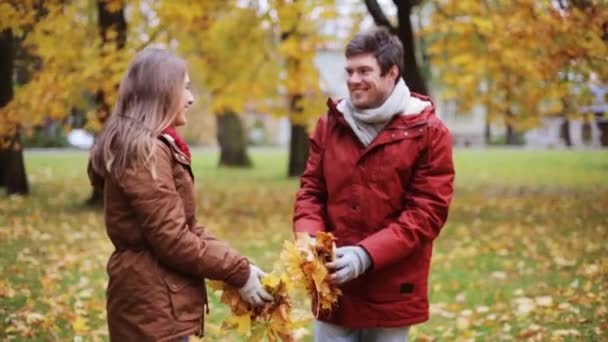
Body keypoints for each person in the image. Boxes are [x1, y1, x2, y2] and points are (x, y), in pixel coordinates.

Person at [89, 48, 272, 341]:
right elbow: (172, 239)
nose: (191, 98)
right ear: (162, 92)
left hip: (156, 300)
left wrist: (241, 266)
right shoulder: (145, 152)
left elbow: (186, 226)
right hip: (152, 306)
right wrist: (237, 271)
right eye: (185, 88)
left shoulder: (154, 146)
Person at [293, 27, 455, 342]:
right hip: (335, 289)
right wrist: (311, 240)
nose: (353, 79)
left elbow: (426, 213)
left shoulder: (429, 132)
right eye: (350, 71)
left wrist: (365, 255)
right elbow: (311, 192)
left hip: (392, 288)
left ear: (391, 72)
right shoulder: (329, 125)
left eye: (364, 71)